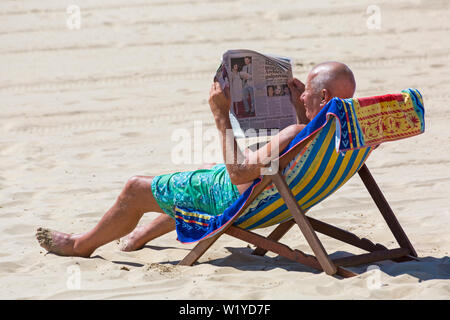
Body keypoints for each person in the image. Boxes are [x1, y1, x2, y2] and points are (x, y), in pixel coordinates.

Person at [36, 61, 356, 257]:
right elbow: (301, 144)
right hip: (276, 197)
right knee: (197, 179)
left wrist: (220, 115)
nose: (301, 95)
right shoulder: (344, 131)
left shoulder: (297, 132)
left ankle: (80, 246)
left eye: (307, 93)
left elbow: (238, 174)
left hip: (239, 201)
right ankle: (139, 234)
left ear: (324, 97)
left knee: (135, 189)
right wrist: (302, 111)